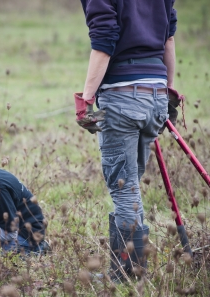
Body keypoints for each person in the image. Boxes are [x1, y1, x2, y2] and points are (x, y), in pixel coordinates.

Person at [76, 0, 182, 281]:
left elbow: (104, 40)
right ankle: (128, 268)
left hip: (122, 95)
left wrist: (86, 98)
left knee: (124, 190)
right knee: (130, 184)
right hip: (157, 93)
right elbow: (168, 40)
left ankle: (127, 274)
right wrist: (168, 90)